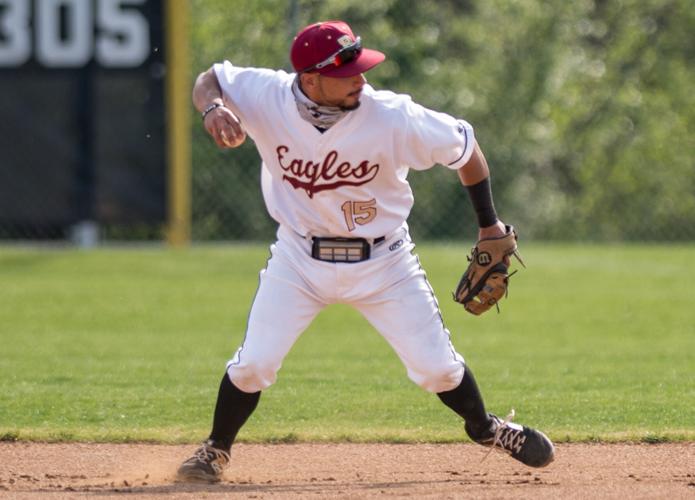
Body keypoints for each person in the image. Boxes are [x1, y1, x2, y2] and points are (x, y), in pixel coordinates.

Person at [177, 20, 554, 483]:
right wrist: (213, 107)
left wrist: (488, 224)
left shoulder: (392, 115)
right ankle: (215, 450)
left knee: (437, 369)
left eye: (362, 67)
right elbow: (209, 79)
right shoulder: (267, 95)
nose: (362, 78)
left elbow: (466, 150)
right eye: (349, 71)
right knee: (254, 363)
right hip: (298, 257)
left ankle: (486, 428)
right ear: (310, 80)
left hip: (385, 261)